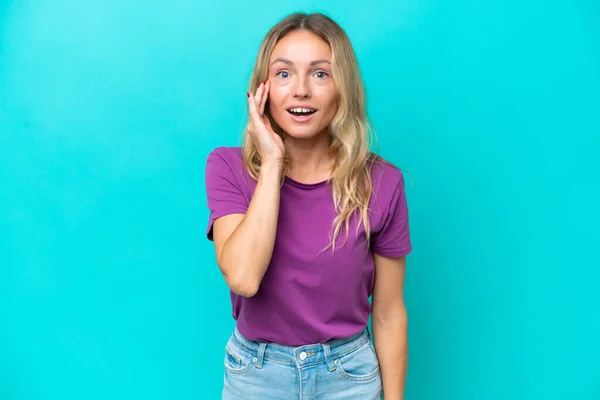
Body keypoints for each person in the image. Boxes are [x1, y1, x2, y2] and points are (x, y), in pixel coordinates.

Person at [205, 11, 412, 400]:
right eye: (284, 74)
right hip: (256, 376)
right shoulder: (227, 167)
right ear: (262, 89)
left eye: (320, 73)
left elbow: (387, 313)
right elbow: (244, 278)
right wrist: (272, 164)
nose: (300, 90)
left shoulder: (383, 183)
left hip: (349, 376)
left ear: (342, 88)